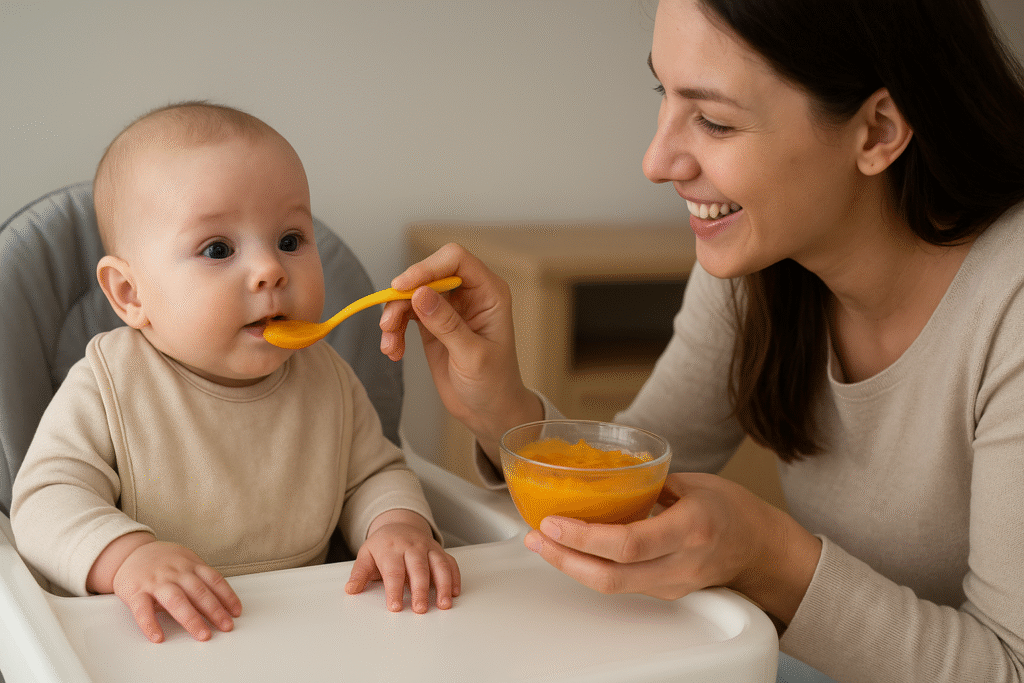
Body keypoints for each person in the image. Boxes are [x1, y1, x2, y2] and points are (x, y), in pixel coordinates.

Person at [378, 0, 1024, 681]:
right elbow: (629, 493)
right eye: (665, 94)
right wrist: (502, 410)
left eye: (715, 120)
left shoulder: (1008, 302)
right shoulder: (763, 260)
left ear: (877, 130)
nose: (657, 161)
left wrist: (768, 555)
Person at [11, 102, 460, 644]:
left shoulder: (327, 377)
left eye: (290, 240)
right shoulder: (111, 381)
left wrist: (397, 528)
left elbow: (374, 475)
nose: (271, 269)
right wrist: (128, 557)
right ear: (130, 294)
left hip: (307, 632)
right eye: (218, 249)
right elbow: (44, 500)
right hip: (157, 636)